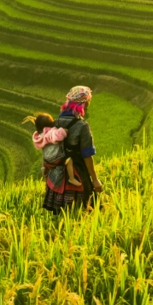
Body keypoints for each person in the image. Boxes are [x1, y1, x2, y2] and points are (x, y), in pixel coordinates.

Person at [40, 86, 103, 214]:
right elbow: (87, 155)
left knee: (60, 214)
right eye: (87, 103)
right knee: (86, 211)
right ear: (83, 105)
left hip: (57, 174)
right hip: (77, 172)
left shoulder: (56, 122)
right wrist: (95, 179)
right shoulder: (82, 126)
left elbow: (48, 146)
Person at [24, 111, 80, 185]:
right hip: (57, 159)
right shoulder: (50, 132)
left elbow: (43, 152)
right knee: (70, 160)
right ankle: (71, 178)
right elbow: (57, 136)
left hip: (47, 161)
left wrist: (43, 167)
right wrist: (64, 131)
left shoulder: (40, 136)